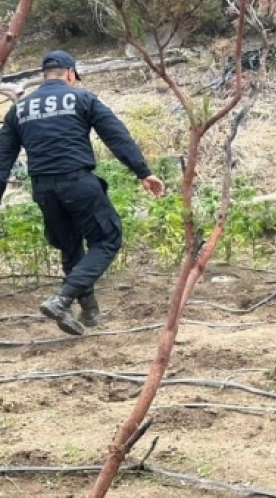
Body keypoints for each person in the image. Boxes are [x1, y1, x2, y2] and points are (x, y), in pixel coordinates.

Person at [0, 50, 165, 336]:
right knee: (108, 238)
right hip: (78, 183)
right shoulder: (83, 98)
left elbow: (3, 159)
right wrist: (143, 172)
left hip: (42, 188)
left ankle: (89, 312)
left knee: (70, 245)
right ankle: (63, 299)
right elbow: (116, 134)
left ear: (45, 75)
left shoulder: (19, 110)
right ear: (71, 74)